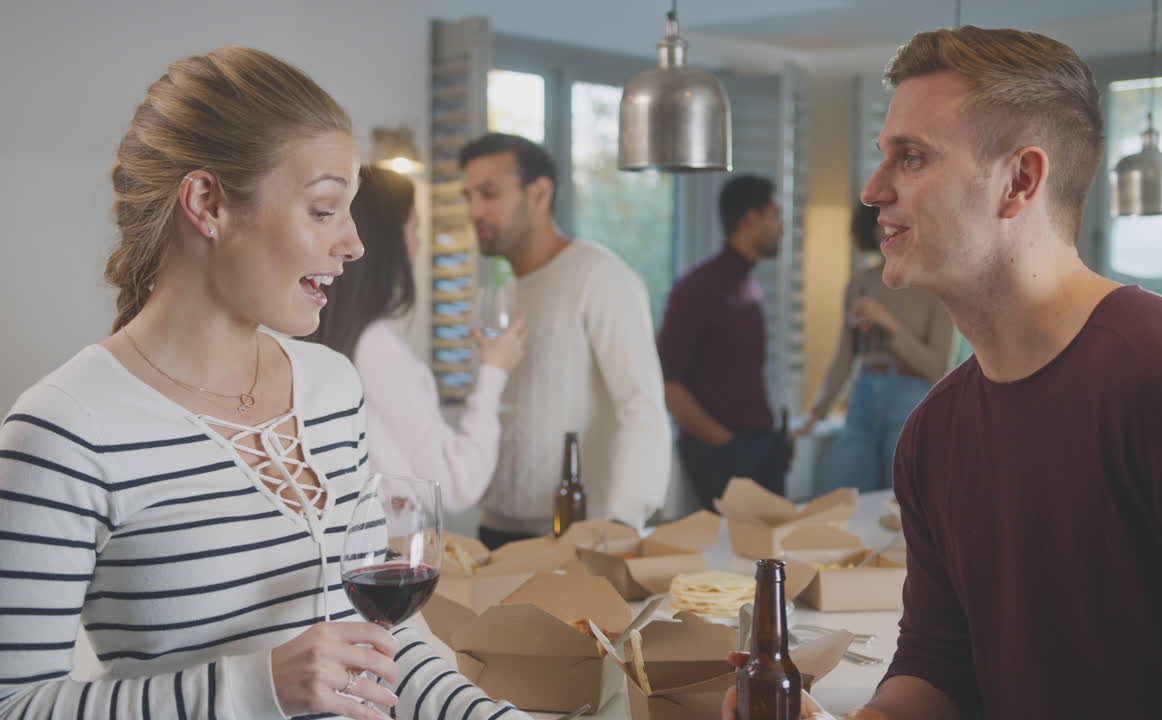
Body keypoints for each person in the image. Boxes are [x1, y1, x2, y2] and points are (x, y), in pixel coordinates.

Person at [725, 26, 1162, 720]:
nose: (873, 190)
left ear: (1019, 182)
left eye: (913, 157)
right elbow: (940, 665)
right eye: (884, 157)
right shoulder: (934, 433)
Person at [0, 48, 533, 720]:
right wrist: (258, 688)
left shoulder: (331, 387)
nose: (354, 244)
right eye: (323, 210)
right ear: (208, 203)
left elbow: (380, 644)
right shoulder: (64, 429)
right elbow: (14, 705)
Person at [458, 132, 670, 549]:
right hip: (496, 529)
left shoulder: (600, 277)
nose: (474, 210)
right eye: (467, 196)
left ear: (539, 193)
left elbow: (642, 406)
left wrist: (622, 525)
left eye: (489, 193)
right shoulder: (506, 294)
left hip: (574, 534)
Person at [305, 166, 526, 513]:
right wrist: (495, 369)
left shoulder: (315, 338)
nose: (420, 241)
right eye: (415, 227)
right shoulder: (377, 351)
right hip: (387, 558)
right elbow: (456, 484)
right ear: (387, 238)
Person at [799, 203, 953, 494]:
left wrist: (889, 325)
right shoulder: (860, 284)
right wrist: (816, 414)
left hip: (911, 401)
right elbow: (843, 357)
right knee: (842, 499)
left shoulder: (936, 285)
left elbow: (936, 367)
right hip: (864, 396)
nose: (889, 230)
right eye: (882, 222)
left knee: (902, 504)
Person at [657, 175, 788, 509]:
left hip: (760, 446)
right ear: (750, 218)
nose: (782, 226)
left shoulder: (749, 286)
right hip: (724, 453)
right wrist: (727, 445)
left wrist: (769, 441)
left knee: (774, 557)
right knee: (738, 558)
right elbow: (667, 384)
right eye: (775, 214)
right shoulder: (697, 288)